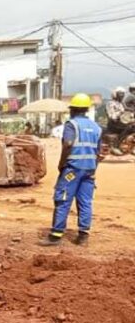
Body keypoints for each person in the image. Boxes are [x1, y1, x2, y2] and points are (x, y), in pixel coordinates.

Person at [40, 93, 102, 247]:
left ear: (73, 109)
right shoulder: (96, 127)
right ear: (86, 109)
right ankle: (83, 236)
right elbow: (99, 152)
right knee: (85, 202)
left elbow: (68, 144)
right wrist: (93, 169)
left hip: (72, 170)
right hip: (89, 170)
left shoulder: (71, 125)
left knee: (62, 199)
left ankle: (56, 235)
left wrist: (62, 164)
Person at [107, 87, 128, 155]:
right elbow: (112, 116)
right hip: (113, 124)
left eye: (123, 94)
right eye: (120, 94)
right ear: (115, 94)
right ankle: (116, 145)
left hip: (120, 122)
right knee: (128, 127)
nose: (122, 96)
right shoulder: (111, 103)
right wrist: (121, 112)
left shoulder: (121, 103)